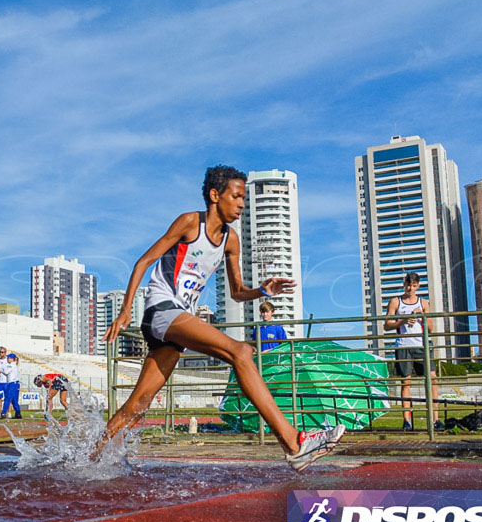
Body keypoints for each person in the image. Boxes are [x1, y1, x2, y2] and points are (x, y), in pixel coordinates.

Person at [98, 165, 345, 472]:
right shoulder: (190, 222)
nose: (242, 204)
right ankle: (294, 443)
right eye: (237, 196)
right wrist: (124, 310)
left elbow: (237, 291)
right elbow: (143, 261)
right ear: (216, 195)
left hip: (176, 324)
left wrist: (262, 291)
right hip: (161, 311)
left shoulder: (231, 241)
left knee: (138, 405)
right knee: (241, 351)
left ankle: (88, 458)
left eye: (243, 198)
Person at [384, 271, 441, 431]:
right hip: (403, 346)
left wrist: (422, 315)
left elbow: (430, 327)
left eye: (414, 286)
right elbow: (387, 325)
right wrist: (402, 321)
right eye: (408, 285)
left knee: (432, 380)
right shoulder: (395, 302)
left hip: (422, 345)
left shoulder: (423, 302)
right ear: (404, 285)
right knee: (406, 382)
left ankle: (435, 419)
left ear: (418, 286)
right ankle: (407, 421)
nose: (410, 288)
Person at [0, 353, 22, 419]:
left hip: (12, 383)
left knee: (8, 398)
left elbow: (6, 372)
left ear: (12, 359)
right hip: (16, 383)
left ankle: (3, 413)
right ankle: (18, 414)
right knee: (14, 400)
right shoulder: (14, 365)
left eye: (9, 358)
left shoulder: (11, 365)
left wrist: (0, 369)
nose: (8, 359)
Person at [0, 345, 10, 418]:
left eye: (2, 352)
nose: (1, 353)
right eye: (0, 352)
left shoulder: (8, 360)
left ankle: (8, 412)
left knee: (8, 398)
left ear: (5, 352)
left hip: (7, 381)